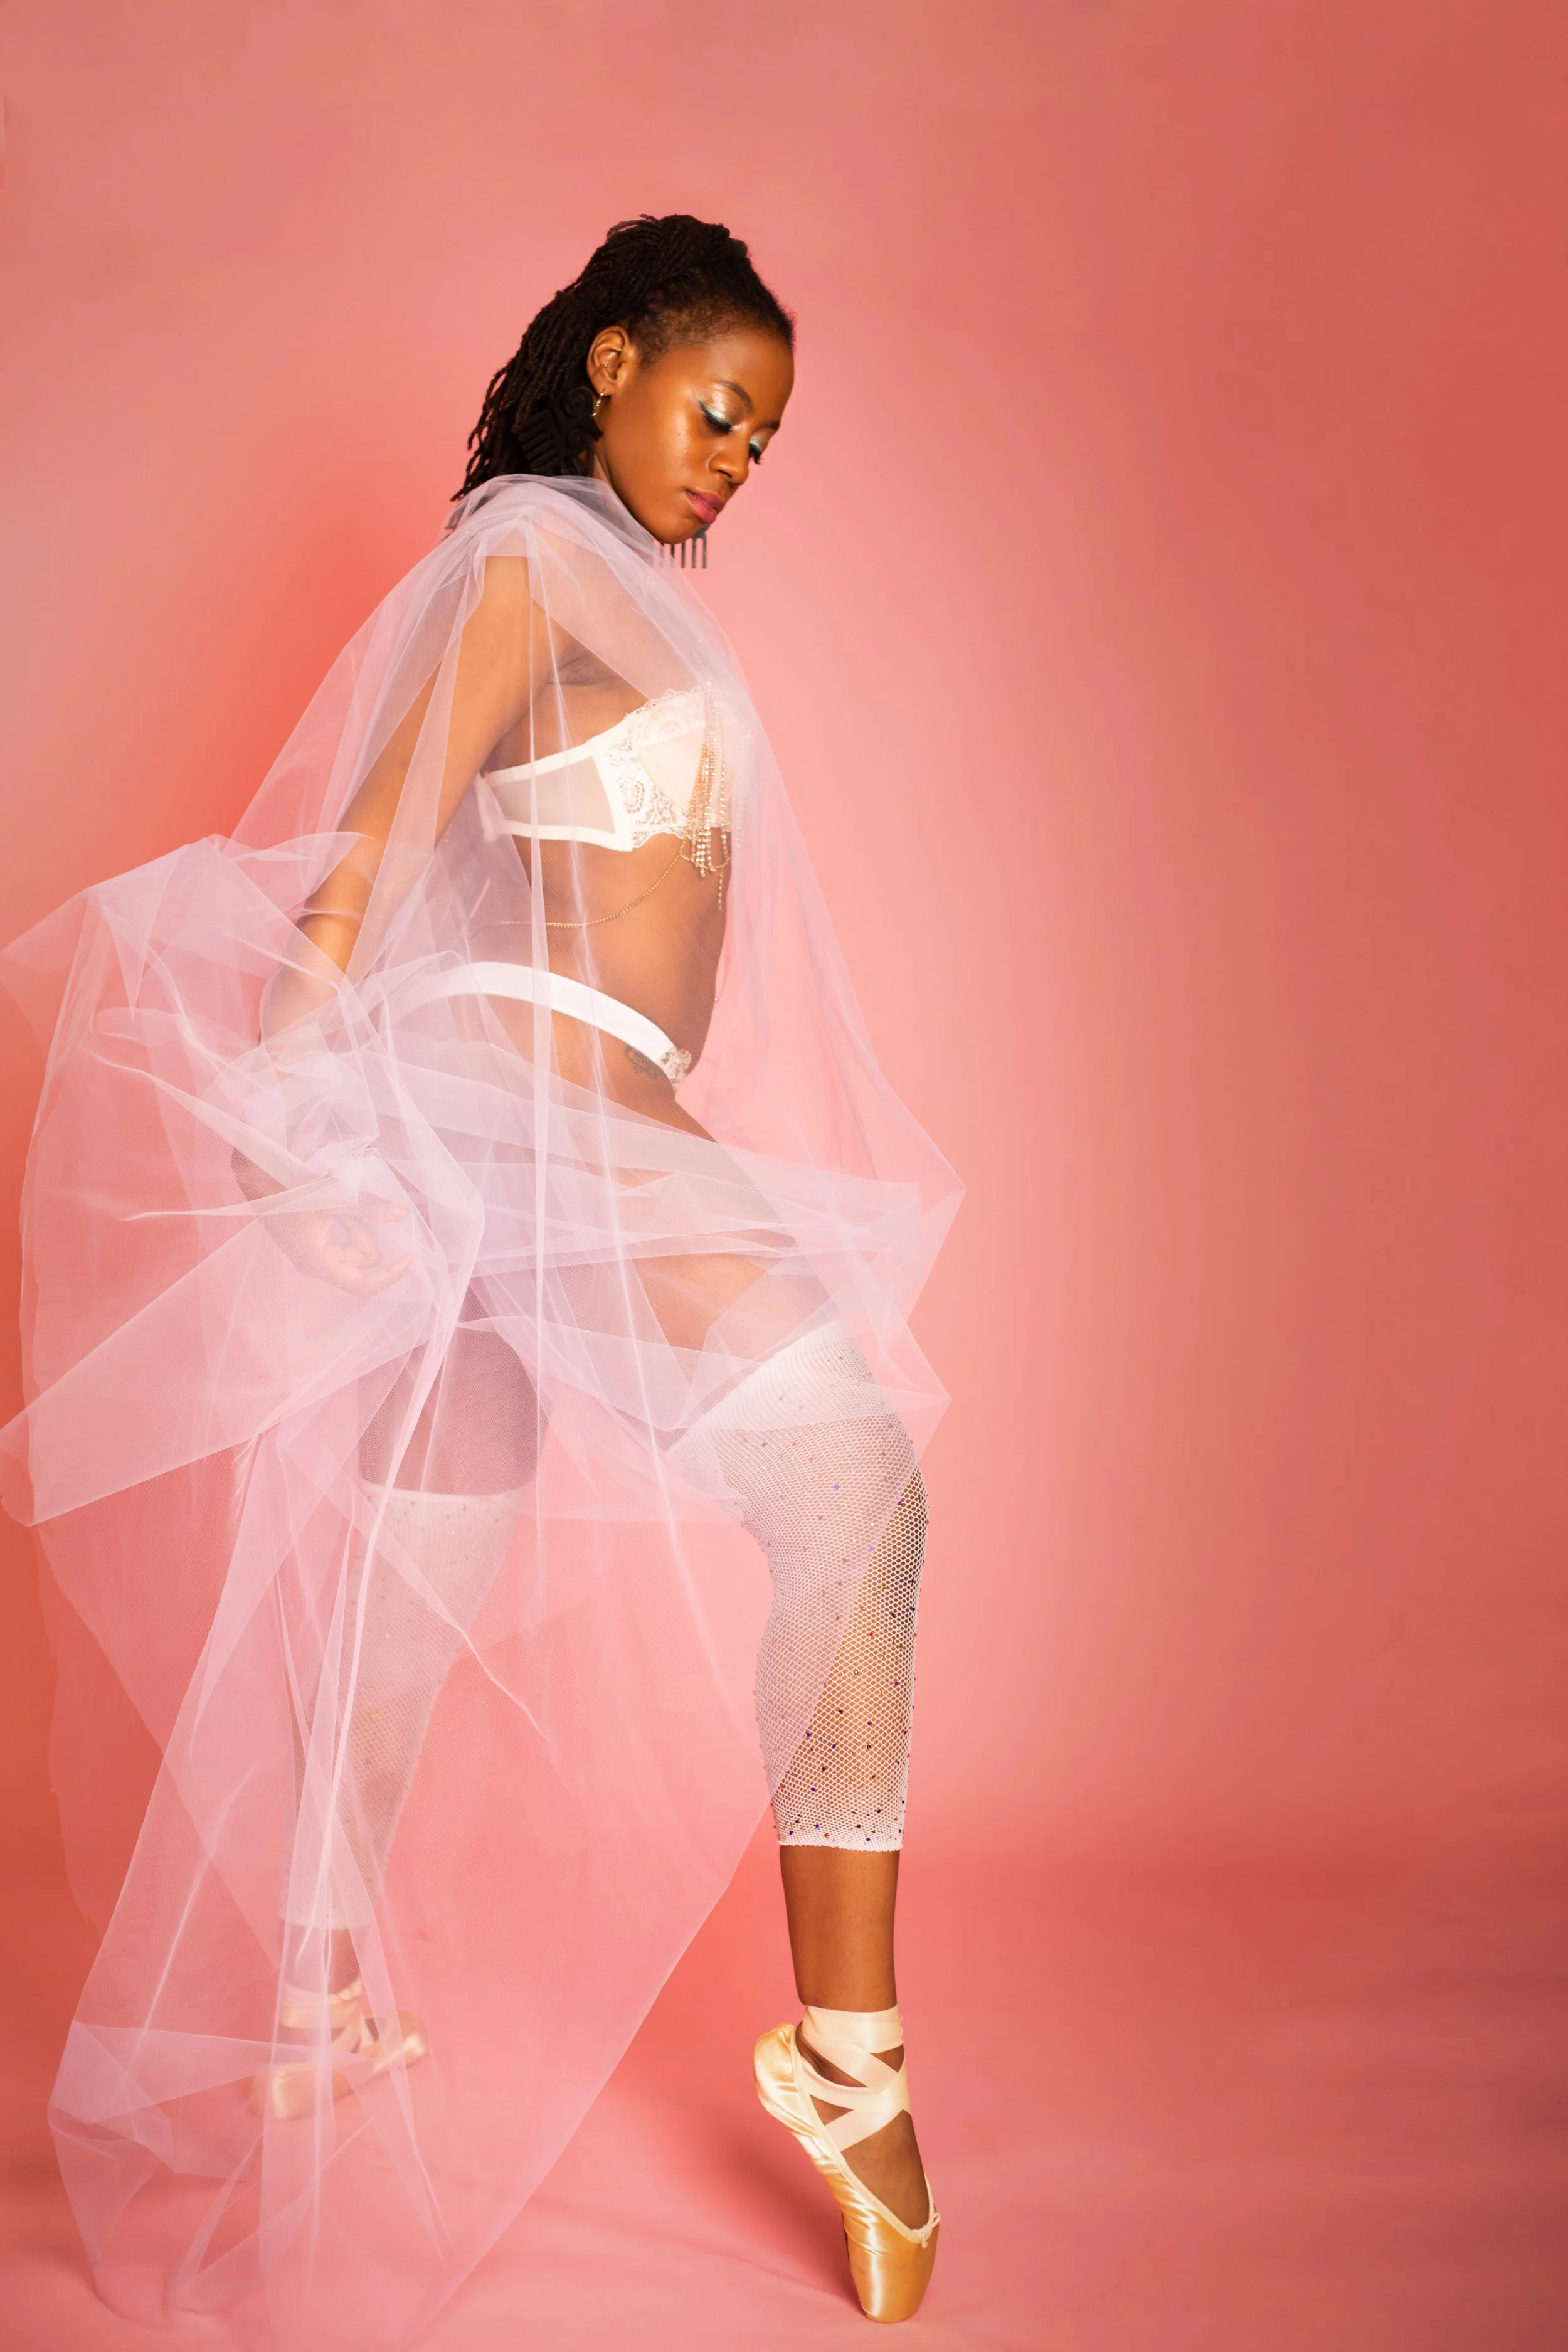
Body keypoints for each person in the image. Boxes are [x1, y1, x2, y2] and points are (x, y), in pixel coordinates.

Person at [1, 214, 960, 2344]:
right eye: (716, 407)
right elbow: (370, 852)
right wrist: (296, 1102)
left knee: (415, 1562)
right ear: (612, 361)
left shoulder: (629, 596)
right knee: (854, 1483)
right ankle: (852, 2063)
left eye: (764, 442)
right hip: (528, 1114)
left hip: (581, 1123)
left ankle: (313, 1981)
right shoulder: (525, 556)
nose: (734, 458)